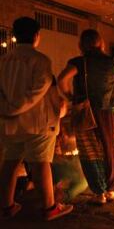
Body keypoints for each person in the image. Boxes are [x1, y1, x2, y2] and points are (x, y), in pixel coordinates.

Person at [0, 17, 73, 220]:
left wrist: (6, 109)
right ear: (36, 36)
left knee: (10, 163)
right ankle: (50, 208)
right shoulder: (41, 61)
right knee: (41, 163)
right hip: (37, 123)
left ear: (15, 36)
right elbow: (37, 92)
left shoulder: (3, 61)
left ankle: (6, 206)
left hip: (10, 123)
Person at [58, 29, 114, 205]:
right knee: (109, 149)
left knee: (90, 152)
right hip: (109, 111)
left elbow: (62, 79)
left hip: (86, 111)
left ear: (81, 44)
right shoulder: (112, 62)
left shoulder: (78, 62)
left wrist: (70, 97)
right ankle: (110, 189)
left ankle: (98, 192)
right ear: (100, 43)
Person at [52, 122, 88, 204]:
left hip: (52, 167)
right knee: (84, 180)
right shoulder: (55, 132)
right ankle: (63, 195)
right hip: (53, 166)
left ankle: (60, 193)